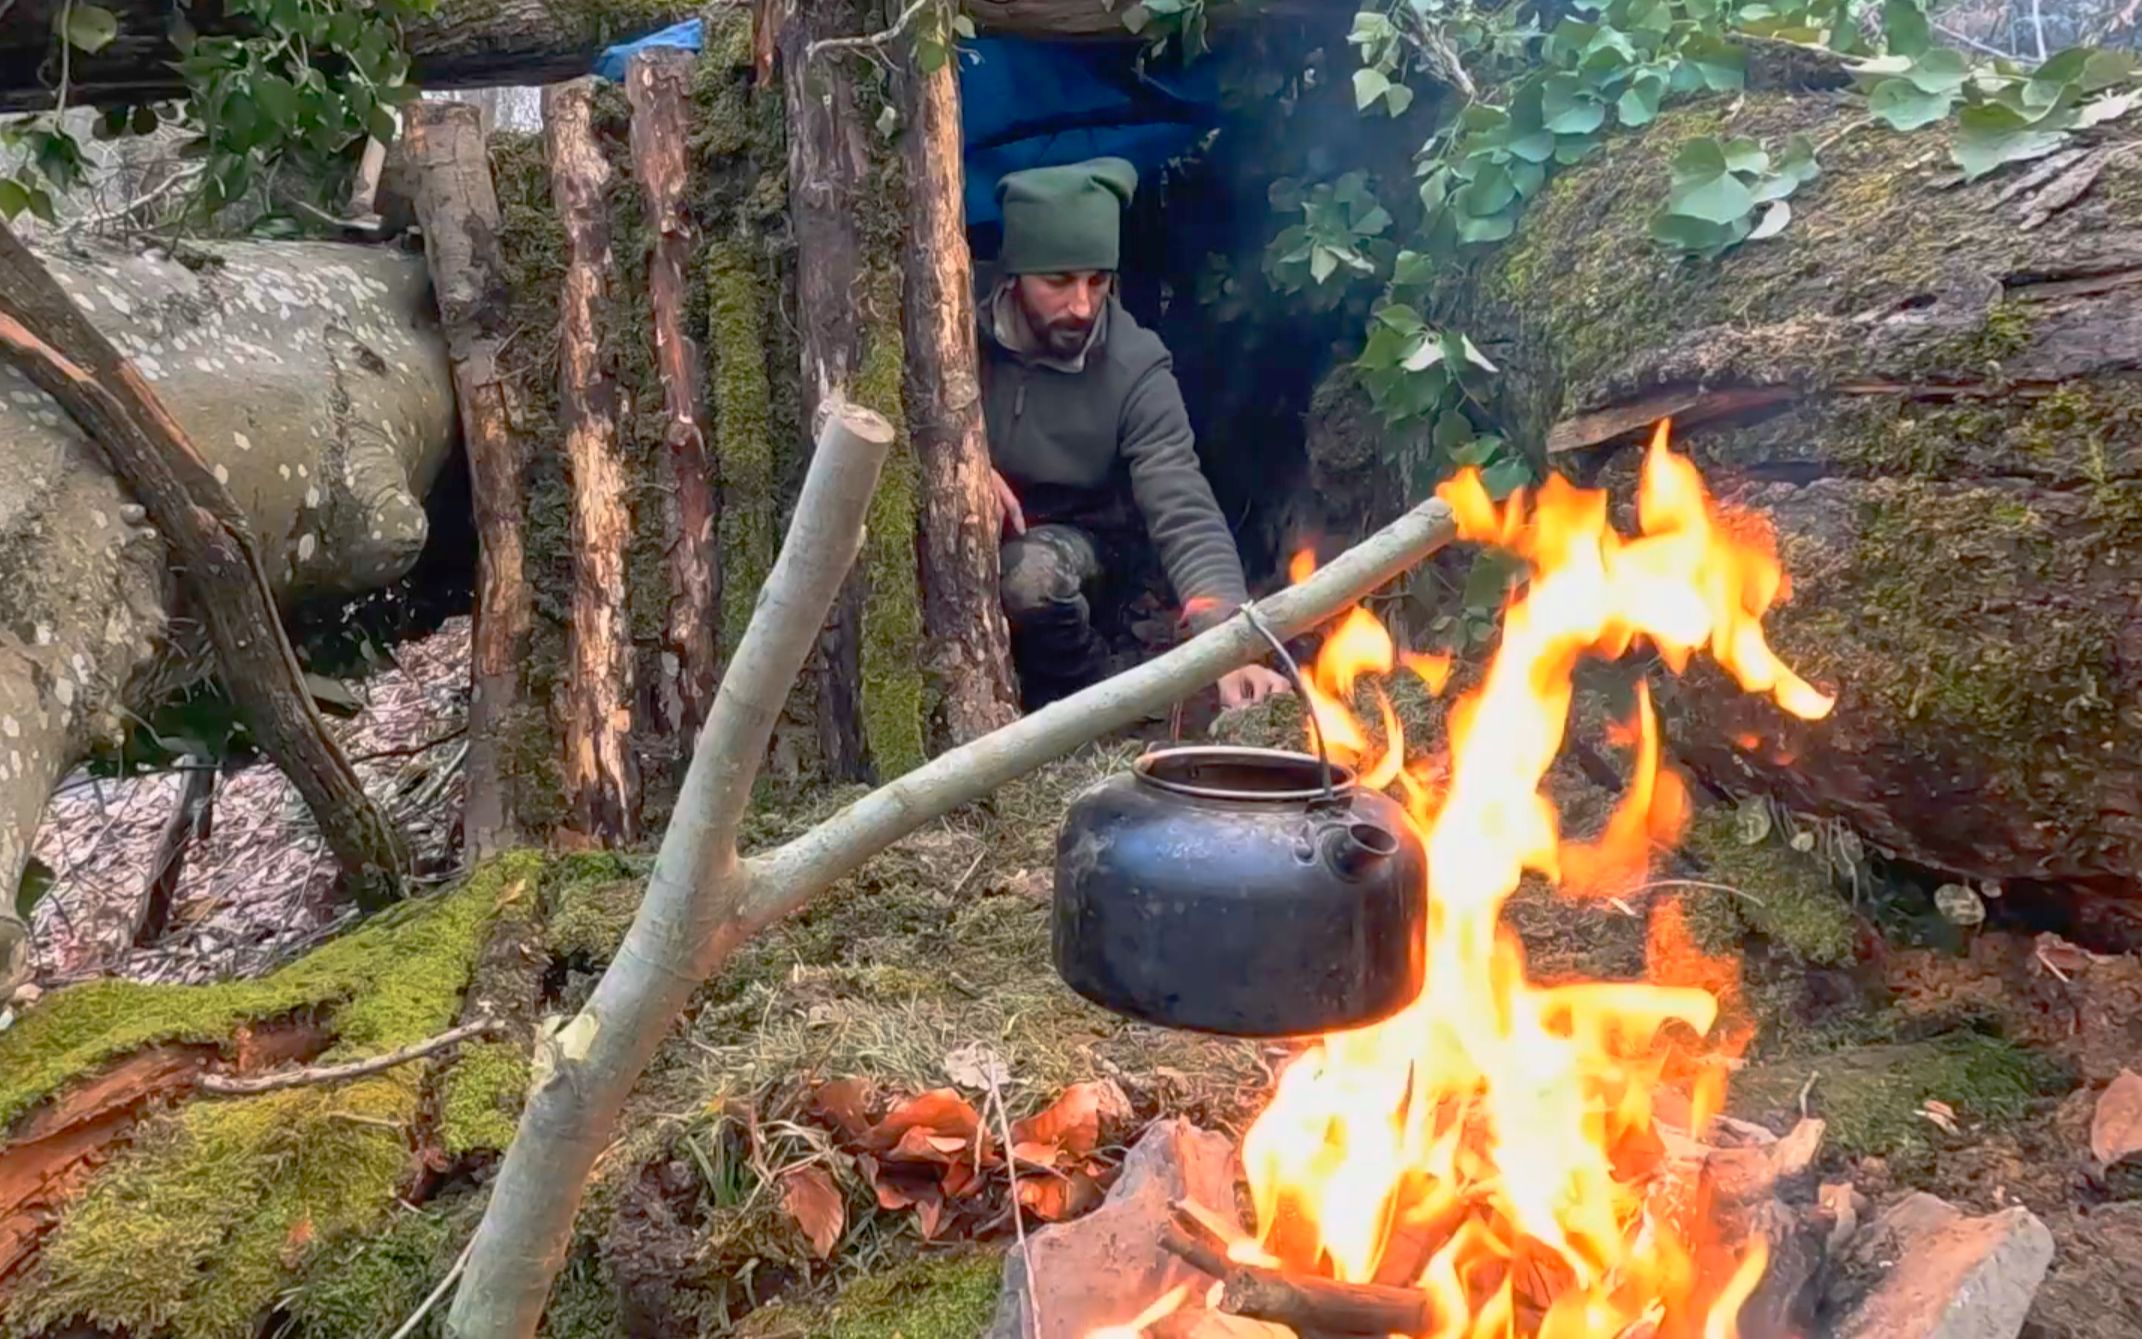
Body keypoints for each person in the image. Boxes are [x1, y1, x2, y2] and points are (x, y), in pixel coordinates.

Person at [979, 156, 1291, 711]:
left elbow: (1182, 503)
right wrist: (969, 470)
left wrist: (1228, 642)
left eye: (1097, 281)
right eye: (1058, 281)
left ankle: (1086, 696)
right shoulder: (949, 324)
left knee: (1030, 575)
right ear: (1015, 274)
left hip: (1079, 540)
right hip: (962, 525)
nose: (1081, 305)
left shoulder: (1136, 363)